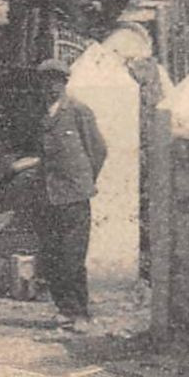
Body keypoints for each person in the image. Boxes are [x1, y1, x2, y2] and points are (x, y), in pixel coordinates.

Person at [33, 58, 107, 331]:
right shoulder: (45, 115)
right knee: (52, 255)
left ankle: (81, 314)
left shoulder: (78, 111)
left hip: (74, 195)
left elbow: (98, 150)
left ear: (64, 83)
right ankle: (64, 308)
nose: (50, 87)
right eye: (45, 82)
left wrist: (84, 182)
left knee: (73, 256)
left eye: (56, 81)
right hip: (49, 195)